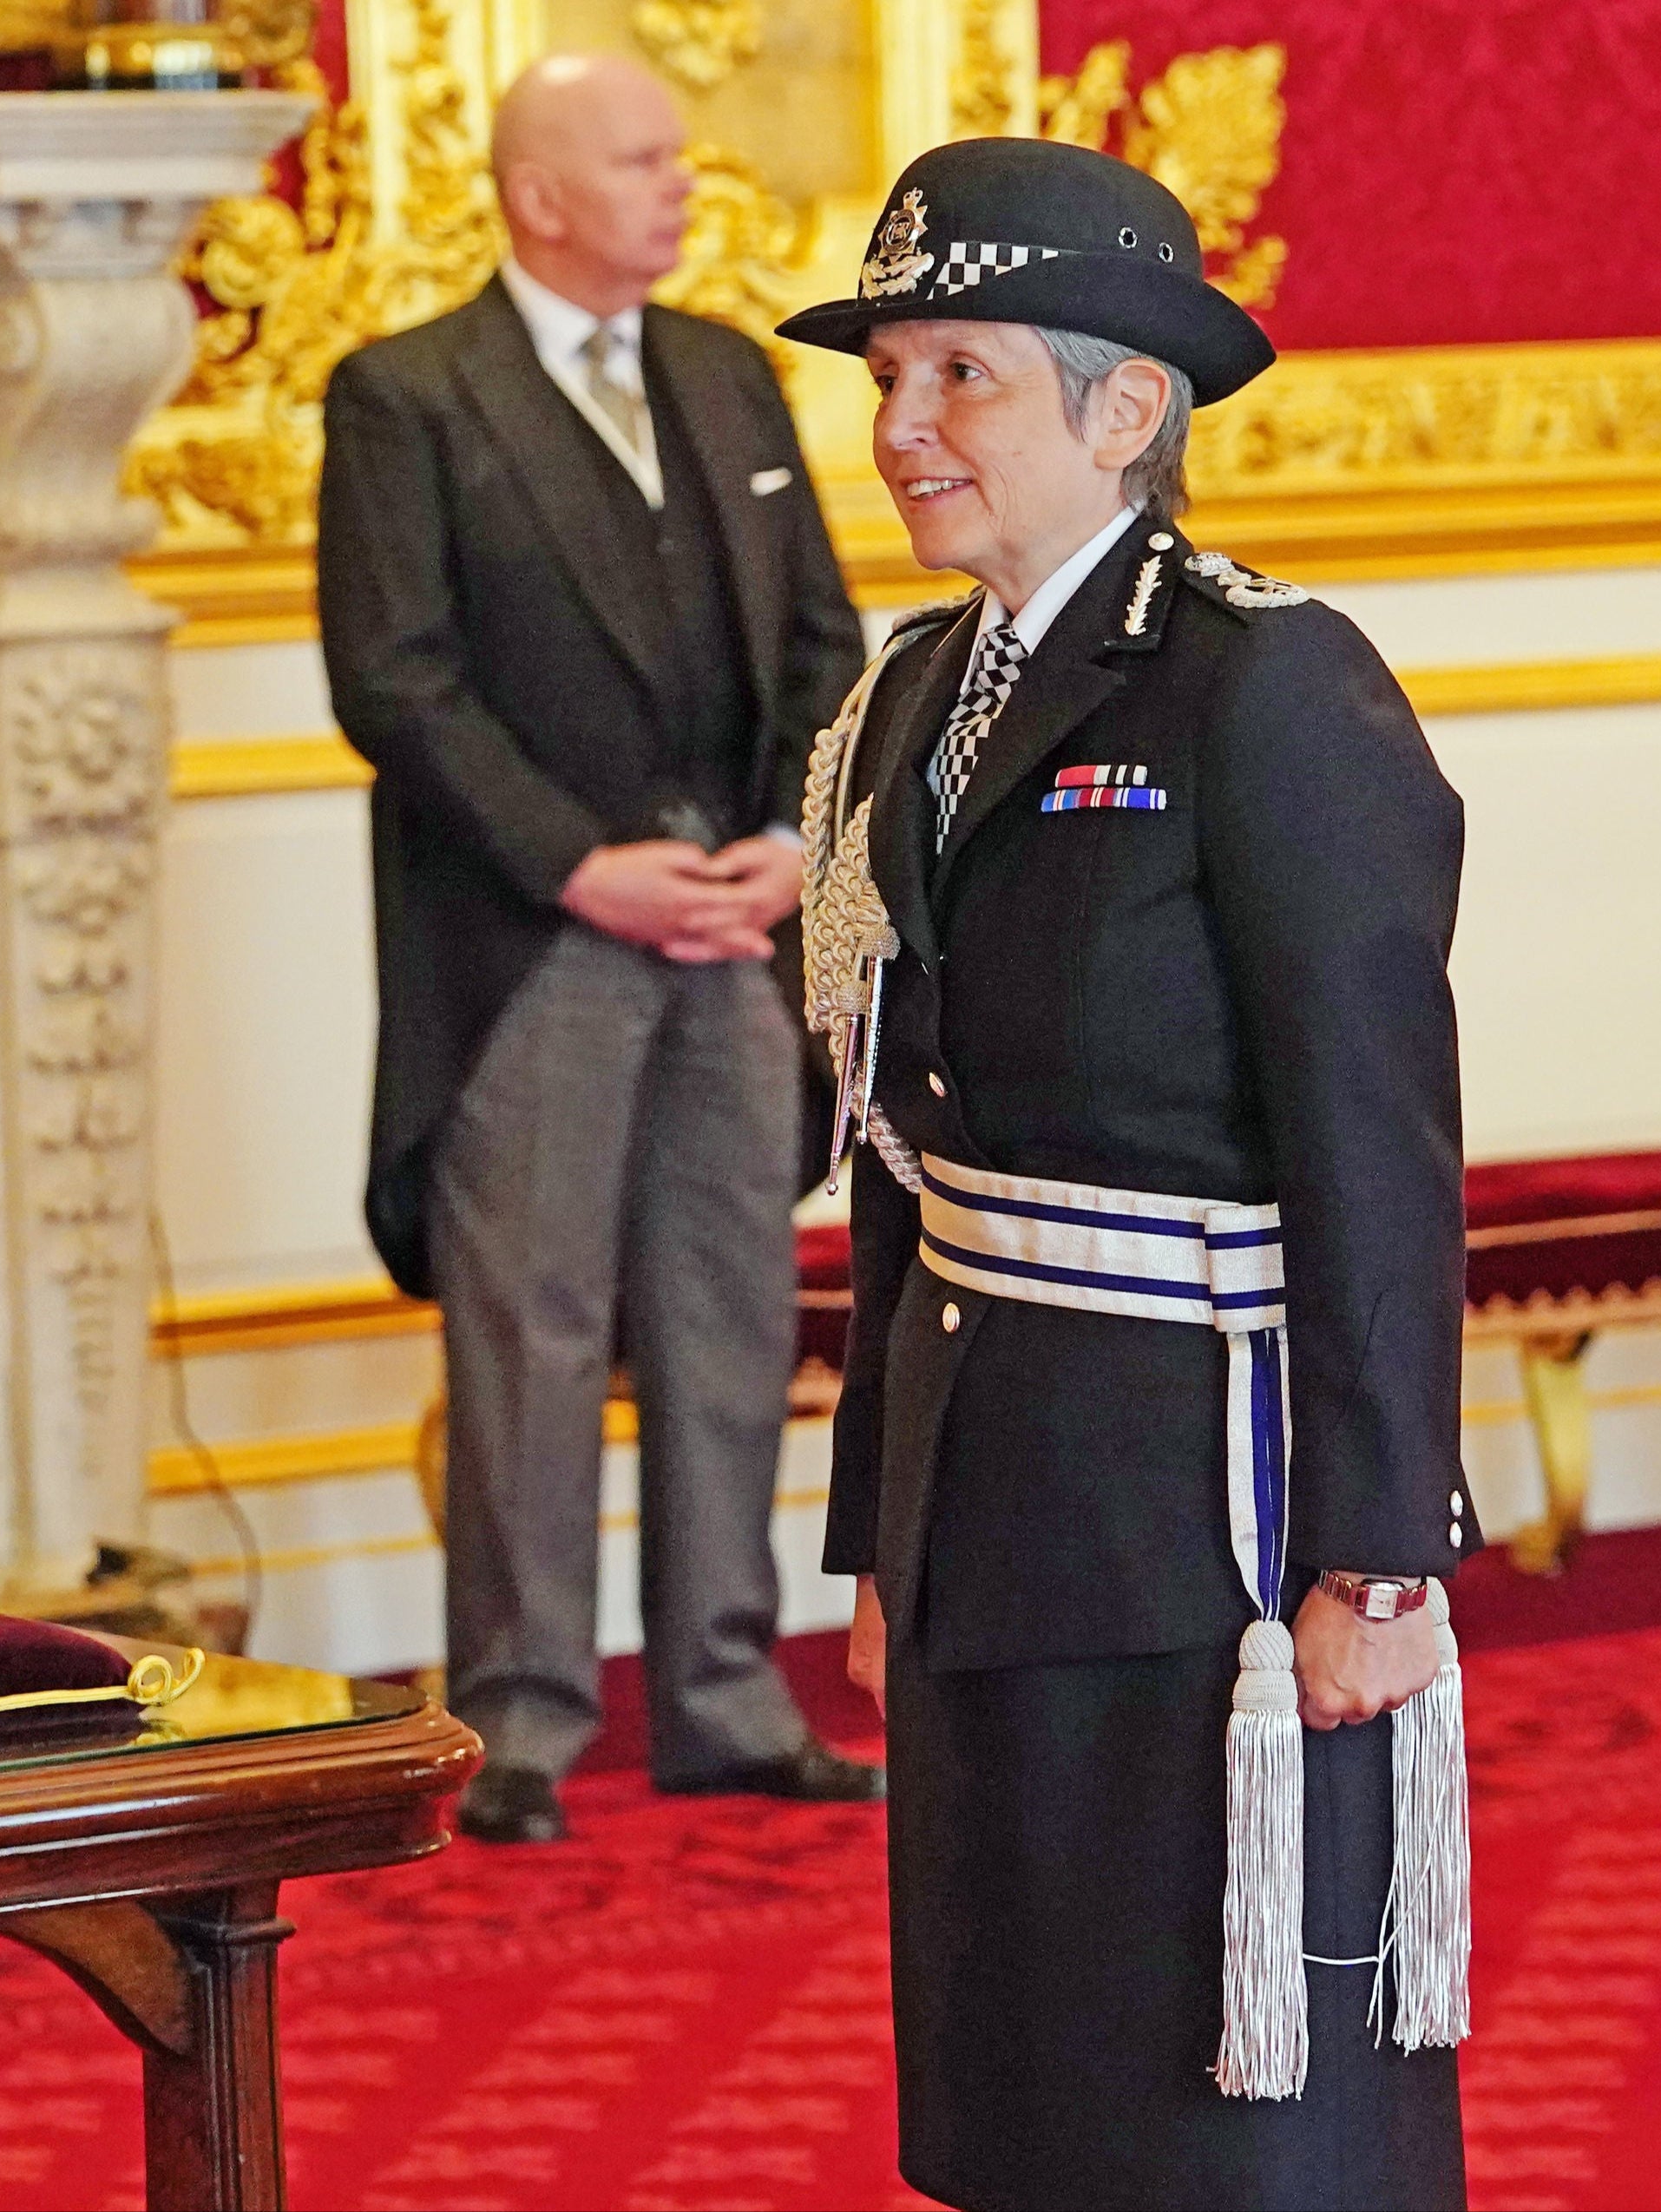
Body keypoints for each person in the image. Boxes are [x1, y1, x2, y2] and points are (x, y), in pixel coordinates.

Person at [778, 137, 1470, 2207]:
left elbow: (1374, 1138)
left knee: (1221, 2098)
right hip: (988, 1495)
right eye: (884, 378)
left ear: (1121, 406)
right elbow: (899, 1150)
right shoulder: (906, 699)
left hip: (1213, 1516)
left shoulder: (1260, 684)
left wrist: (1376, 1555)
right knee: (1025, 2067)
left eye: (956, 376)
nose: (899, 431)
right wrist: (876, 1536)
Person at [319, 51, 878, 1847]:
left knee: (727, 1325)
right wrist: (585, 868)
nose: (679, 182)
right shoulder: (407, 397)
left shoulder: (725, 375)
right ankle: (520, 1720)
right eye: (640, 160)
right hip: (530, 944)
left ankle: (722, 1694)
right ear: (538, 191)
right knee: (532, 1336)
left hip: (732, 930)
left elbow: (821, 647)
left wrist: (789, 848)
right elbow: (394, 683)